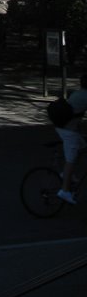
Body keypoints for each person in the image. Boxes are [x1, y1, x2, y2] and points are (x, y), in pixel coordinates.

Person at [55, 72, 87, 204]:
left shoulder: (78, 93)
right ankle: (64, 191)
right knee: (71, 159)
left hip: (64, 127)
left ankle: (67, 175)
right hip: (67, 131)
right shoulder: (86, 96)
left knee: (83, 147)